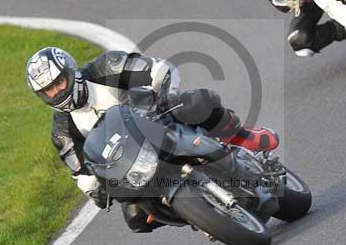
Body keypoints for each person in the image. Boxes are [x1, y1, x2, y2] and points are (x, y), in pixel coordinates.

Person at [26, 47, 279, 232]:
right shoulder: (62, 131)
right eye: (49, 89)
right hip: (133, 162)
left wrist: (163, 93)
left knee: (196, 102)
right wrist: (96, 190)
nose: (57, 91)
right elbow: (82, 173)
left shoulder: (104, 68)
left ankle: (241, 136)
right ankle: (196, 214)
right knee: (135, 217)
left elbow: (157, 68)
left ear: (70, 72)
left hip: (158, 120)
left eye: (59, 82)